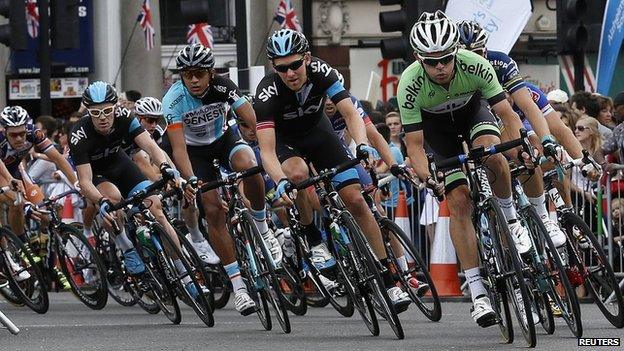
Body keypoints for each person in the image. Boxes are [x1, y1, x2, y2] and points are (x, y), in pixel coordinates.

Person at [255, 28, 411, 309]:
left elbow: (352, 113)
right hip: (286, 144)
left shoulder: (322, 71)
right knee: (298, 175)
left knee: (356, 201)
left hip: (319, 136)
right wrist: (279, 180)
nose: (290, 73)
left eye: (295, 65)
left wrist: (361, 146)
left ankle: (388, 280)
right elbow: (266, 150)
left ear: (307, 58)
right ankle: (313, 237)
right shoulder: (266, 92)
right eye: (281, 68)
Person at [398, 11, 535, 327]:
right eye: (431, 62)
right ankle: (478, 293)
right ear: (419, 59)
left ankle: (511, 219)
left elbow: (508, 114)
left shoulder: (476, 65)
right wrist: (429, 178)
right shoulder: (409, 84)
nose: (440, 67)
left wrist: (519, 146)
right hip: (436, 131)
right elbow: (415, 147)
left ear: (456, 50)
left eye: (446, 58)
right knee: (458, 201)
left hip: (472, 113)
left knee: (493, 153)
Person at [163, 43, 280, 315]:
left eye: (199, 74)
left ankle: (263, 228)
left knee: (250, 165)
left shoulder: (224, 86)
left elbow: (253, 120)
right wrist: (191, 179)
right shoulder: (173, 100)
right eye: (187, 74)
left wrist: (269, 148)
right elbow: (179, 150)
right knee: (213, 210)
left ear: (211, 73)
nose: (193, 79)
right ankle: (239, 288)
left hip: (224, 139)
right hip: (195, 153)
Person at [69, 81, 204, 300]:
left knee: (157, 211)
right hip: (96, 174)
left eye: (106, 111)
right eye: (95, 113)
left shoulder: (125, 117)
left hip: (119, 164)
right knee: (111, 200)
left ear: (114, 108)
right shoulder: (79, 134)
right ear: (88, 112)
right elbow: (85, 181)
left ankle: (186, 276)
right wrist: (100, 201)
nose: (102, 117)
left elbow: (151, 147)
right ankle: (126, 248)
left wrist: (165, 168)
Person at [131, 96, 219, 265]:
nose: (153, 125)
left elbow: (165, 158)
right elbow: (142, 165)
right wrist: (160, 180)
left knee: (188, 195)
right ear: (138, 118)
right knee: (145, 214)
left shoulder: (158, 133)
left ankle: (195, 236)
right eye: (149, 120)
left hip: (156, 173)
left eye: (157, 120)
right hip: (135, 175)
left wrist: (178, 179)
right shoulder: (131, 134)